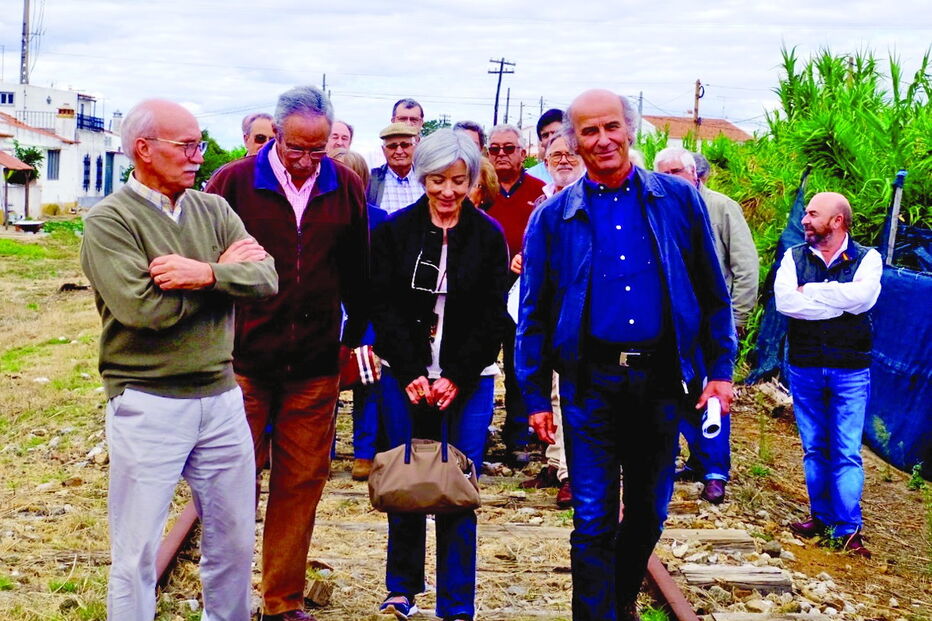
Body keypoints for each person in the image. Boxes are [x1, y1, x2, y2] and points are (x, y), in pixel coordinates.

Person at [516, 89, 736, 621]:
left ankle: (616, 603)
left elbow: (712, 290)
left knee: (648, 513)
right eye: (589, 131)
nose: (602, 140)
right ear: (574, 141)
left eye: (611, 127)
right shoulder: (554, 219)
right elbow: (535, 313)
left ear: (630, 130)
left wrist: (721, 371)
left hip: (661, 384)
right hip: (590, 386)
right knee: (592, 518)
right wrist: (533, 396)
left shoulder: (677, 201)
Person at [81, 99, 278, 620]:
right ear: (144, 150)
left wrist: (203, 274)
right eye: (186, 145)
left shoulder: (212, 209)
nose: (199, 155)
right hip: (148, 401)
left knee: (234, 541)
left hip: (220, 396)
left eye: (199, 143)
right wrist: (221, 274)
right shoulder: (110, 221)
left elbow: (267, 278)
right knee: (137, 551)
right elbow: (143, 309)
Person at [205, 85, 369, 621]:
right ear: (274, 135)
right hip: (244, 365)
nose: (306, 161)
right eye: (297, 149)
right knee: (231, 484)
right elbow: (206, 263)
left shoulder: (343, 185)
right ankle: (226, 600)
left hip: (315, 367)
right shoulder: (232, 182)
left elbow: (357, 274)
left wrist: (351, 343)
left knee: (300, 485)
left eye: (317, 151)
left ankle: (282, 602)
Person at [370, 129, 509, 621]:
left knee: (457, 488)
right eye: (435, 181)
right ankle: (402, 588)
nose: (447, 192)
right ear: (422, 178)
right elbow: (381, 307)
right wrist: (410, 370)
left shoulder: (489, 235)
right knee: (407, 481)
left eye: (457, 181)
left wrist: (456, 374)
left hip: (468, 380)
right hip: (401, 375)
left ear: (472, 180)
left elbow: (494, 315)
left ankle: (456, 603)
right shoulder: (393, 231)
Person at [774, 191, 881, 559]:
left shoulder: (868, 259)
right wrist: (839, 303)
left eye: (812, 214)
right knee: (815, 447)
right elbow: (786, 303)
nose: (804, 219)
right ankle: (821, 518)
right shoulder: (794, 256)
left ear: (837, 221)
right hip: (804, 366)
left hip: (850, 369)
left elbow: (864, 299)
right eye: (804, 212)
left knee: (847, 450)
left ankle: (848, 529)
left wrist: (814, 293)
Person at [654, 146, 759, 504]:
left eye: (676, 172)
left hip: (711, 324)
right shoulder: (653, 212)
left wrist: (737, 319)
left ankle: (715, 471)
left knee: (712, 393)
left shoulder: (720, 207)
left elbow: (745, 267)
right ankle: (696, 460)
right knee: (679, 395)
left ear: (694, 175)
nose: (670, 179)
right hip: (670, 325)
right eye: (662, 173)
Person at [518, 133, 585, 507]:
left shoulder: (589, 198)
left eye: (570, 153)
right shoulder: (544, 198)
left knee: (569, 395)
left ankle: (572, 475)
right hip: (548, 311)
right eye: (555, 154)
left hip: (579, 314)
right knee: (553, 392)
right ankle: (558, 463)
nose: (562, 159)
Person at [486, 124, 546, 468]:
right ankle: (477, 434)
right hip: (487, 294)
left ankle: (517, 437)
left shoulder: (540, 191)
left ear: (524, 153)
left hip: (524, 294)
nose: (501, 155)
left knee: (519, 367)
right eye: (494, 149)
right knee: (480, 365)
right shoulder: (482, 190)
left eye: (509, 148)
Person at [331, 149, 389, 480]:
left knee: (367, 381)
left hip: (364, 310)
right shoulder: (316, 216)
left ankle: (364, 452)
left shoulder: (379, 219)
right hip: (328, 310)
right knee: (325, 385)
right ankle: (322, 451)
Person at [368, 122, 424, 214]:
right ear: (383, 150)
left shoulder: (425, 178)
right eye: (392, 146)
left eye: (405, 145)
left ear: (415, 147)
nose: (399, 151)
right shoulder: (372, 181)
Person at [525, 108, 564, 184]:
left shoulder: (586, 175)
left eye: (557, 133)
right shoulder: (531, 177)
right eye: (545, 135)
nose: (551, 139)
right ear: (541, 142)